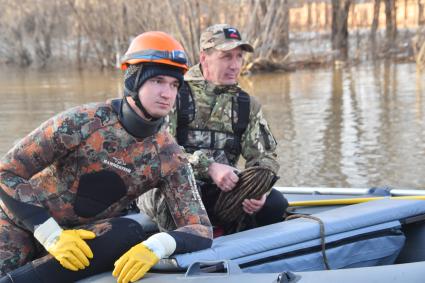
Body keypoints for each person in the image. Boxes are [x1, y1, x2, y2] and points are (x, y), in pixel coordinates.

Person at [0, 31, 212, 283]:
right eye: (158, 81)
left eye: (174, 84)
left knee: (129, 232)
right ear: (134, 80)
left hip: (80, 241)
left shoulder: (169, 155)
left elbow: (200, 229)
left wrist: (156, 246)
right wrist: (51, 235)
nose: (167, 93)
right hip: (19, 227)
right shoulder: (82, 122)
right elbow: (7, 172)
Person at [139, 24, 288, 235]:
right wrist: (209, 167)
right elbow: (160, 154)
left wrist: (260, 190)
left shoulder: (246, 104)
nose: (235, 65)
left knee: (275, 204)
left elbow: (265, 157)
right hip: (170, 187)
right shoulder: (174, 93)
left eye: (239, 57)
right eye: (226, 56)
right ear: (204, 57)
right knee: (181, 199)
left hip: (219, 192)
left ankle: (241, 247)